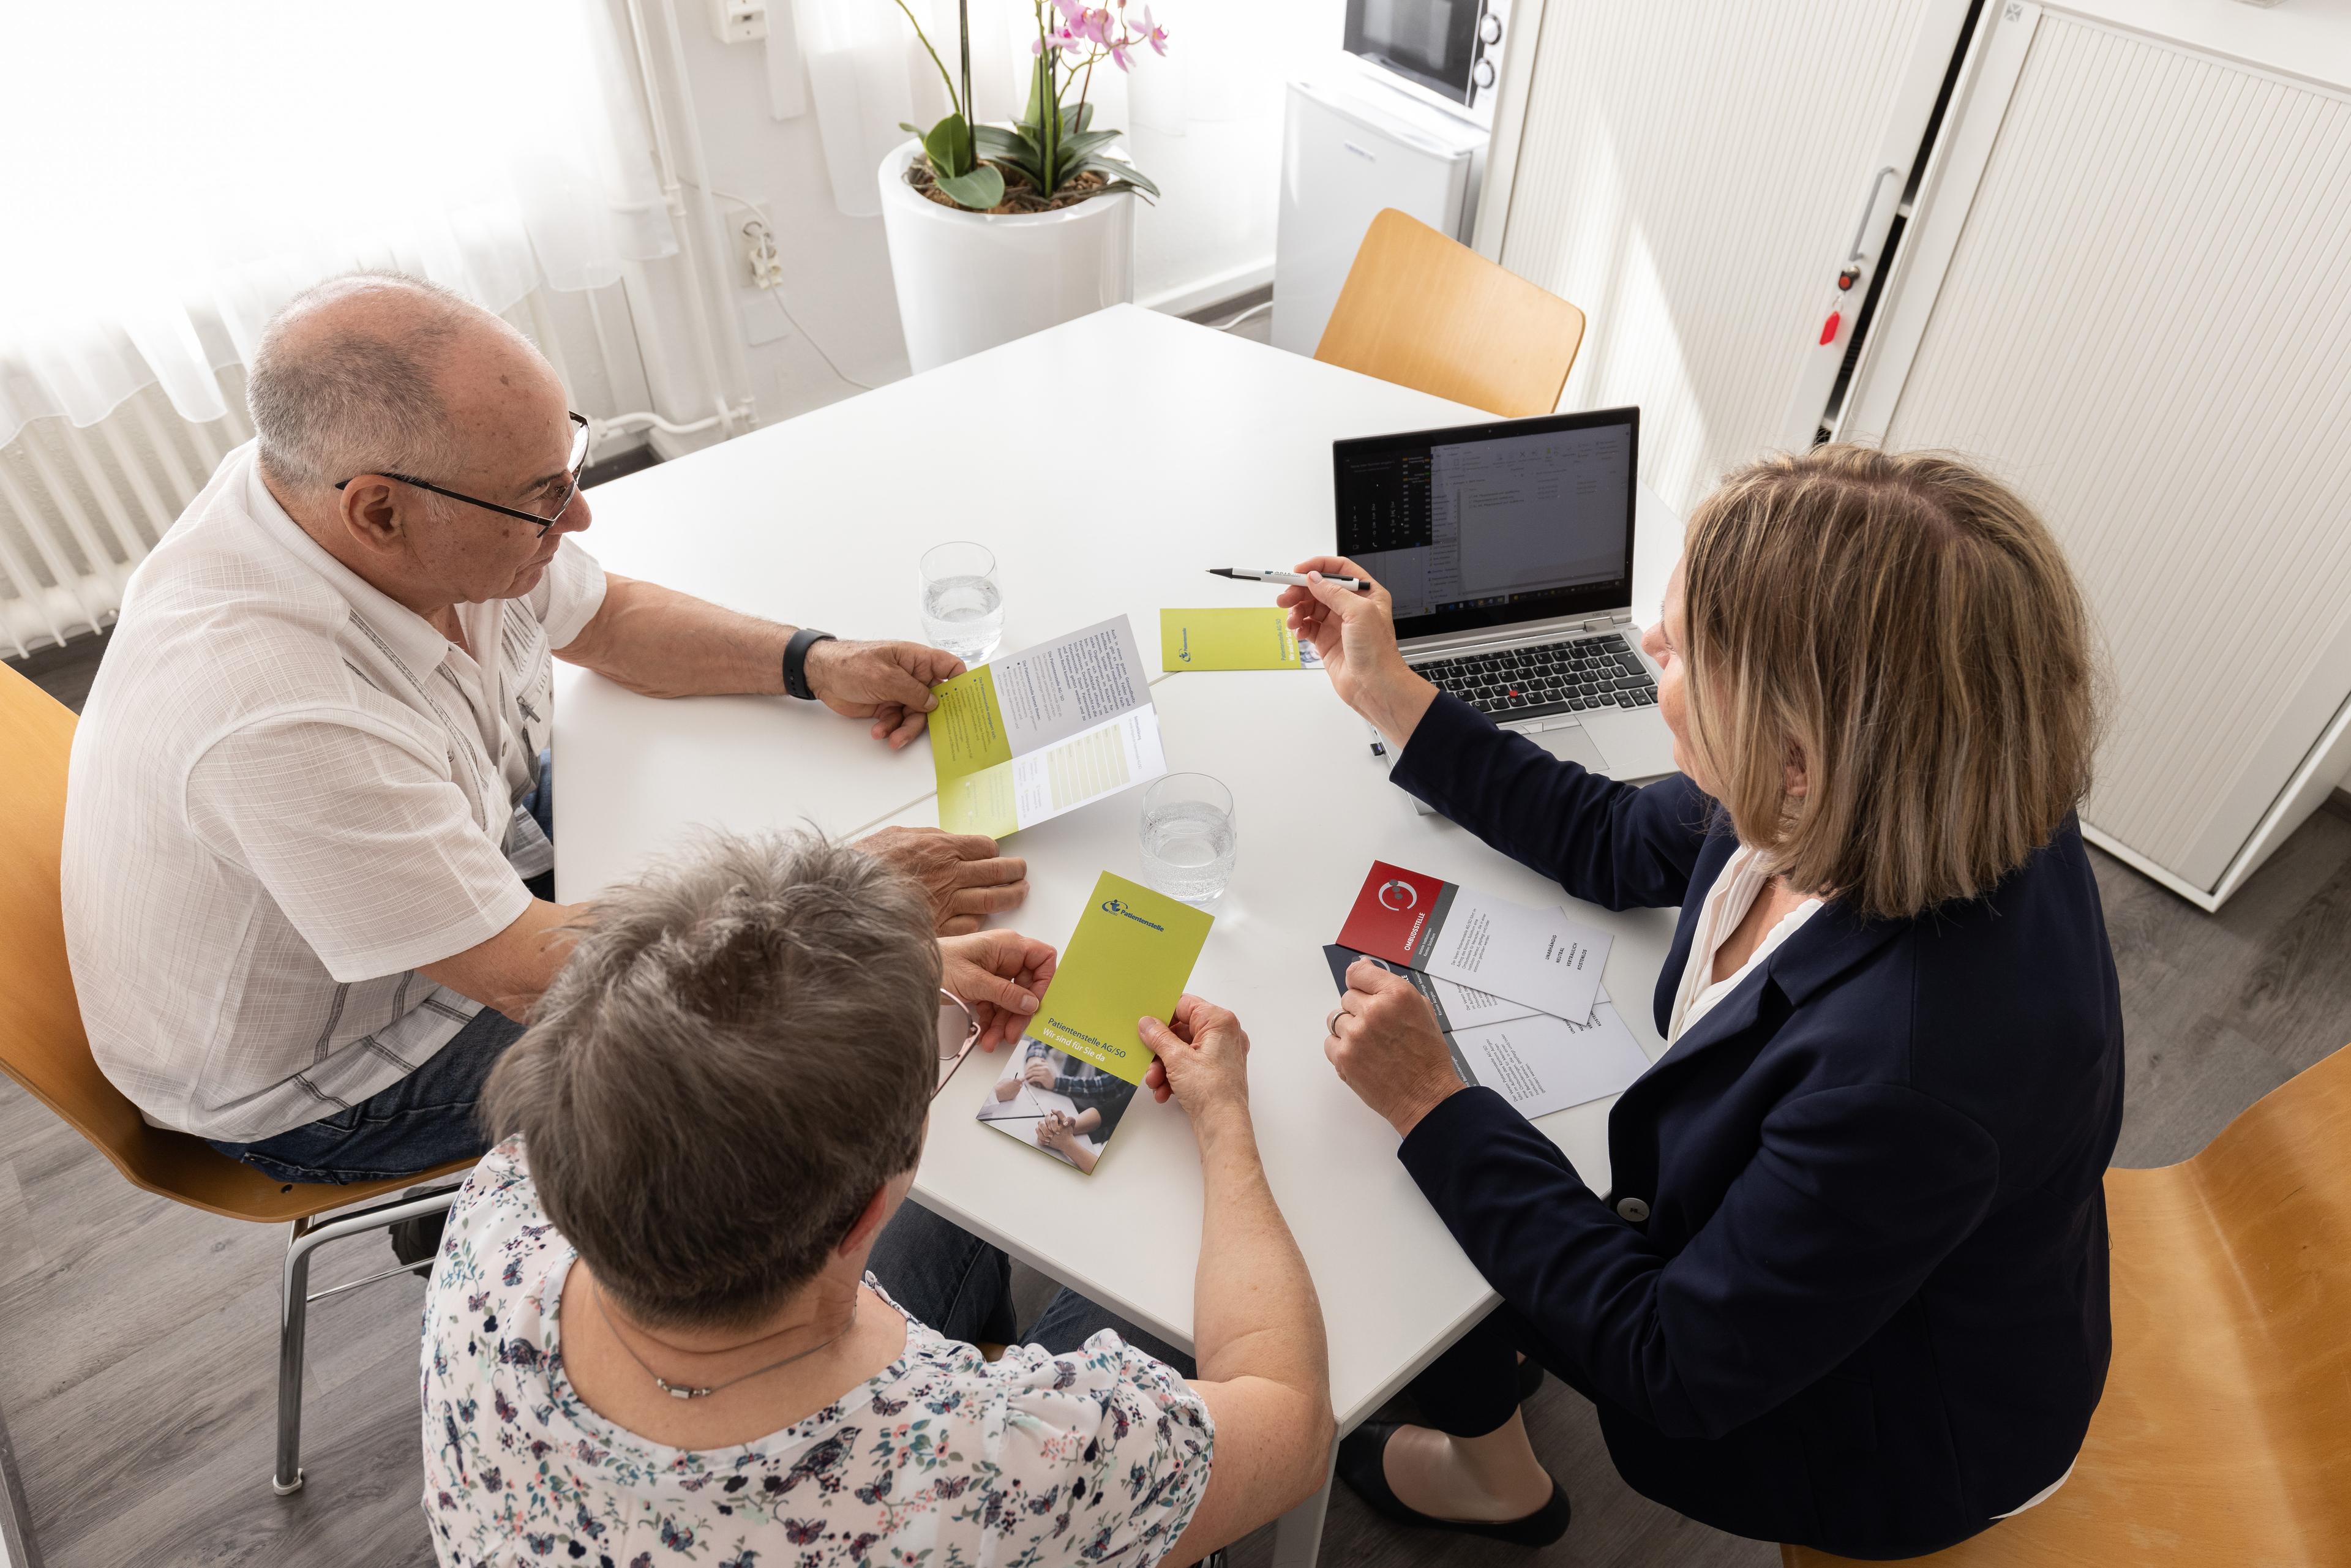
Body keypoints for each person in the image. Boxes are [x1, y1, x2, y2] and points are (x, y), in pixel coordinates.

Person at [1280, 445, 2121, 1559]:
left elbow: (1669, 1362)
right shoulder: (1930, 765)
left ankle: (1494, 1472)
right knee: (1460, 1211)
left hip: (1886, 1427)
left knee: (1417, 1220)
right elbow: (1617, 837)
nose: (1643, 649)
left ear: (1798, 760)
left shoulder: (1908, 1079)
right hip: (1857, 1261)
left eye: (1677, 650)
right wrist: (1390, 694)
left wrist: (1434, 1099)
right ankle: (1495, 1425)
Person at [60, 271, 1029, 1207]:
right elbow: (531, 970)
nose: (580, 514)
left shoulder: (376, 509)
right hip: (339, 1071)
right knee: (794, 1062)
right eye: (541, 497)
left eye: (570, 464)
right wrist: (844, 915)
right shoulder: (275, 712)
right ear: (379, 513)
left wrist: (814, 661)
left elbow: (609, 619)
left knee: (746, 833)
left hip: (468, 860)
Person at [422, 831, 1334, 1566]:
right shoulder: (999, 1468)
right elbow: (1291, 1426)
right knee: (1145, 1287)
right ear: (863, 1214)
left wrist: (889, 982)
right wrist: (1225, 1124)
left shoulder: (500, 1205)